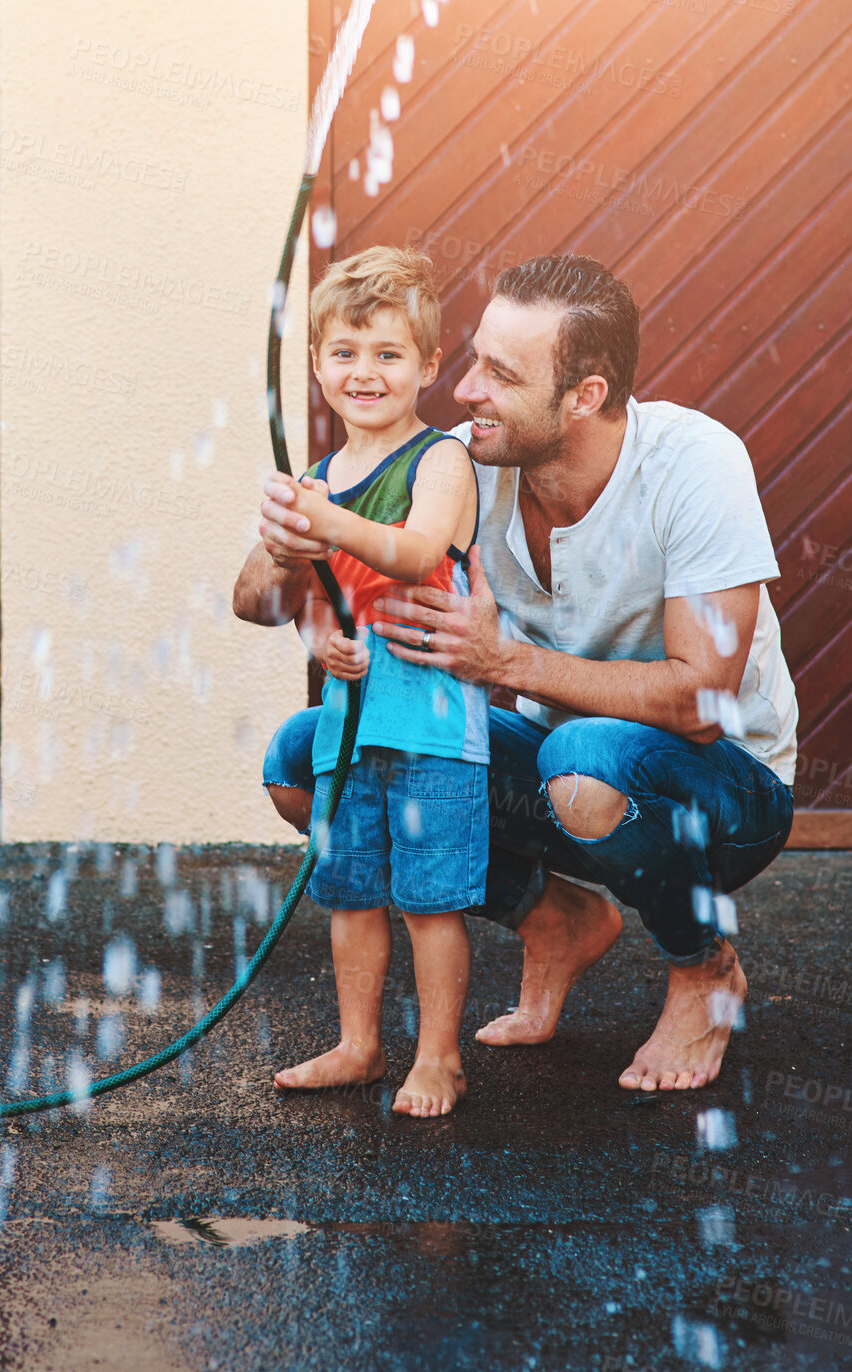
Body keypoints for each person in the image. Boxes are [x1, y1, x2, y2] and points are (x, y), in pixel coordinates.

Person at [235, 253, 796, 1095]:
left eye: (499, 374)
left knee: (587, 765)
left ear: (585, 396)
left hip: (723, 789)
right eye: (471, 360)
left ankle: (703, 969)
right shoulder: (455, 465)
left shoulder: (694, 466)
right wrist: (282, 548)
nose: (463, 392)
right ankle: (557, 917)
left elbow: (704, 698)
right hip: (553, 760)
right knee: (301, 762)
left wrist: (505, 662)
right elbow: (262, 602)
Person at [269, 245, 489, 1119]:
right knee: (351, 894)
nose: (365, 373)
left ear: (429, 366)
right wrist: (322, 642)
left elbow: (417, 551)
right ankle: (359, 1044)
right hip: (348, 728)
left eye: (388, 354)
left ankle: (440, 1058)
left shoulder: (439, 462)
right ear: (318, 362)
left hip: (433, 726)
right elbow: (313, 605)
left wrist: (324, 520)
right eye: (345, 353)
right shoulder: (317, 480)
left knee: (429, 902)